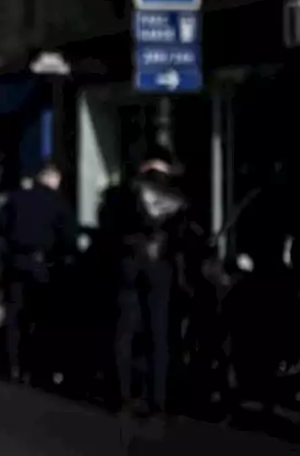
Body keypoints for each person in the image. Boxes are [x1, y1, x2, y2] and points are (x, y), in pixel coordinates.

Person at [101, 145, 188, 419]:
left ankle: (122, 397)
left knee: (123, 332)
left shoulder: (122, 192)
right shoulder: (176, 195)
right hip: (160, 264)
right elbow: (183, 235)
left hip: (128, 260)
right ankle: (157, 399)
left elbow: (108, 226)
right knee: (159, 333)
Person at [0, 163, 74, 384]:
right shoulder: (59, 203)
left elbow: (2, 224)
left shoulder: (18, 197)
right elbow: (68, 238)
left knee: (13, 316)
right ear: (54, 180)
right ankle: (31, 368)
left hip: (16, 262)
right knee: (38, 318)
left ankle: (11, 365)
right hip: (41, 266)